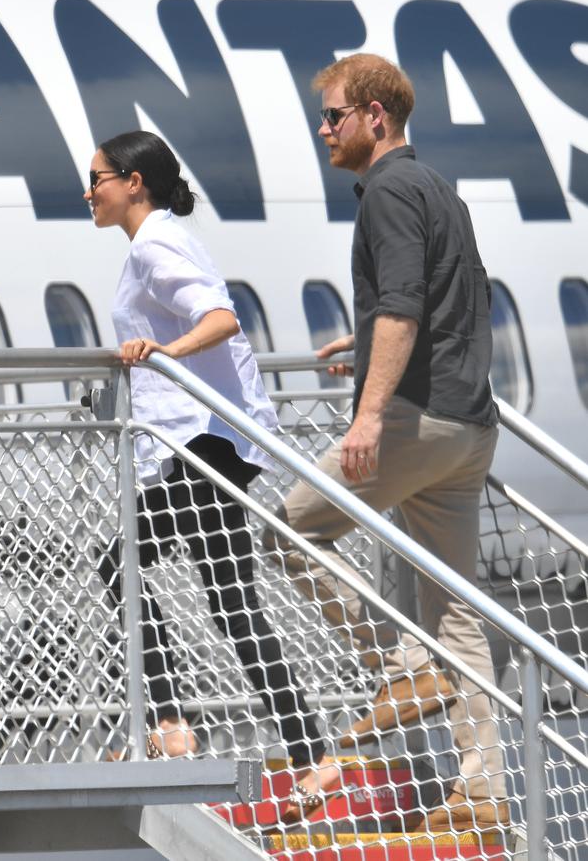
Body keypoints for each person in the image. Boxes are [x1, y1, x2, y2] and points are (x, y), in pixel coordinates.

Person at [263, 55, 509, 832]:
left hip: (418, 419)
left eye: (334, 116)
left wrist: (369, 412)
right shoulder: (437, 188)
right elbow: (445, 297)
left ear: (376, 116)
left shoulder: (389, 192)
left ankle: (403, 668)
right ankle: (481, 794)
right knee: (456, 614)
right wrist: (367, 341)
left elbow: (405, 305)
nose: (324, 130)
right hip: (470, 427)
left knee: (291, 526)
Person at [83, 129, 339, 819]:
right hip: (212, 444)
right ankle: (310, 752)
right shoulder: (157, 240)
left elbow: (220, 317)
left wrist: (164, 349)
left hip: (205, 444)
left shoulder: (155, 243)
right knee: (230, 602)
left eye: (98, 177)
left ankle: (170, 716)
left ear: (134, 182)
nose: (89, 191)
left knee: (120, 563)